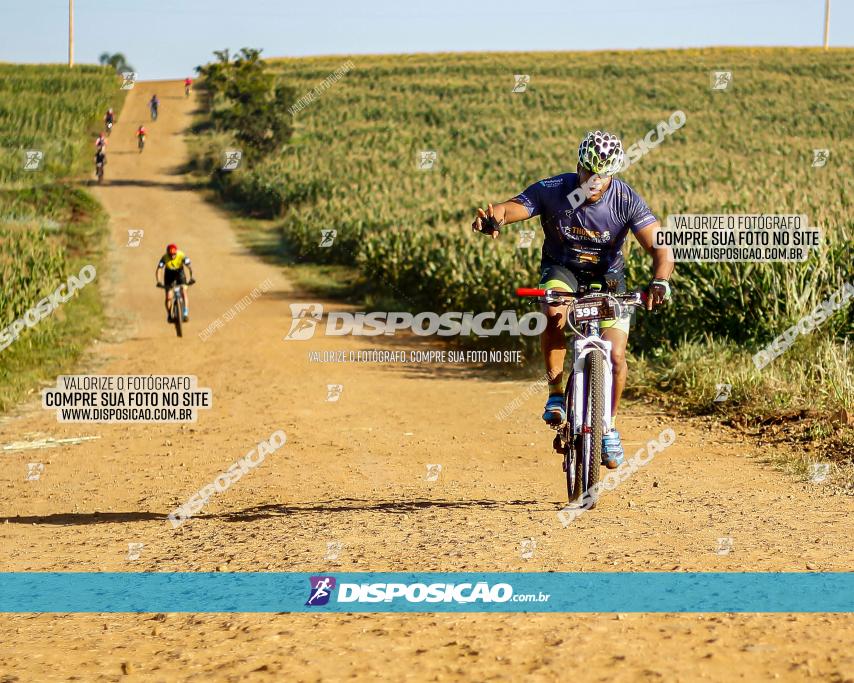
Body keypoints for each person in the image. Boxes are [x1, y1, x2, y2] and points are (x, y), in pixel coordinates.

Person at [472, 130, 673, 468]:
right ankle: (555, 394)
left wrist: (660, 281)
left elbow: (661, 248)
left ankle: (607, 426)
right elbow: (513, 208)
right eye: (587, 172)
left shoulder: (626, 200)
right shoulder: (554, 189)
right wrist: (495, 219)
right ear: (578, 165)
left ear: (614, 173)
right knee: (554, 313)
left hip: (608, 278)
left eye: (602, 175)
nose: (593, 181)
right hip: (562, 269)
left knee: (618, 356)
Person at [155, 243, 195, 322]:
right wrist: (158, 281)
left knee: (184, 291)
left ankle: (185, 313)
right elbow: (159, 269)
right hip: (169, 275)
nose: (172, 256)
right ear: (167, 253)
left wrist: (192, 277)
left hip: (180, 274)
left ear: (176, 253)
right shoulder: (164, 257)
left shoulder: (181, 255)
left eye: (174, 254)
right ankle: (169, 315)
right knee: (169, 296)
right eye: (171, 255)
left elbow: (190, 267)